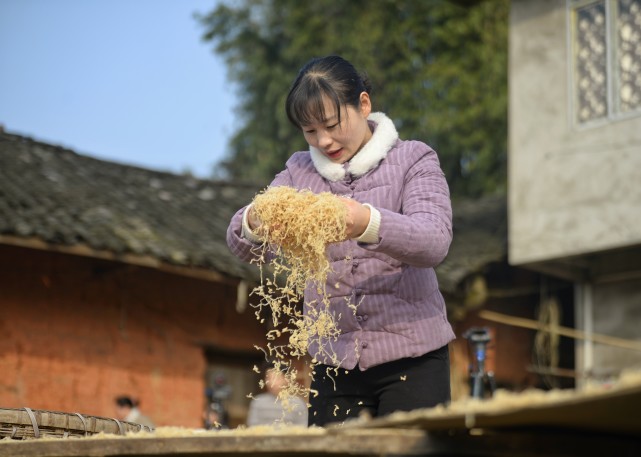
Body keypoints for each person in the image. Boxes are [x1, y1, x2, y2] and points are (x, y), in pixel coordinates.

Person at [226, 55, 455, 426]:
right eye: (310, 131)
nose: (324, 140)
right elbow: (242, 244)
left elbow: (434, 241)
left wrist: (365, 222)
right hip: (336, 363)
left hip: (413, 357)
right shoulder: (299, 170)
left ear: (363, 104)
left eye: (332, 125)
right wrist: (256, 219)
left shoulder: (414, 159)